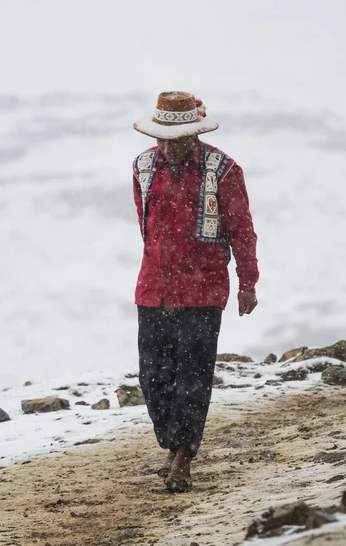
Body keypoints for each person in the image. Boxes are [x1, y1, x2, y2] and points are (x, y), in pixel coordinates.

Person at [132, 91, 259, 493]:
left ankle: (184, 455)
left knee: (192, 375)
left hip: (203, 290)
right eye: (162, 138)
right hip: (153, 289)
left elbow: (241, 230)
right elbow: (147, 227)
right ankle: (172, 445)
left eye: (177, 138)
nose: (167, 146)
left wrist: (248, 282)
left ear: (195, 135)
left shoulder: (223, 170)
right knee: (154, 377)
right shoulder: (141, 167)